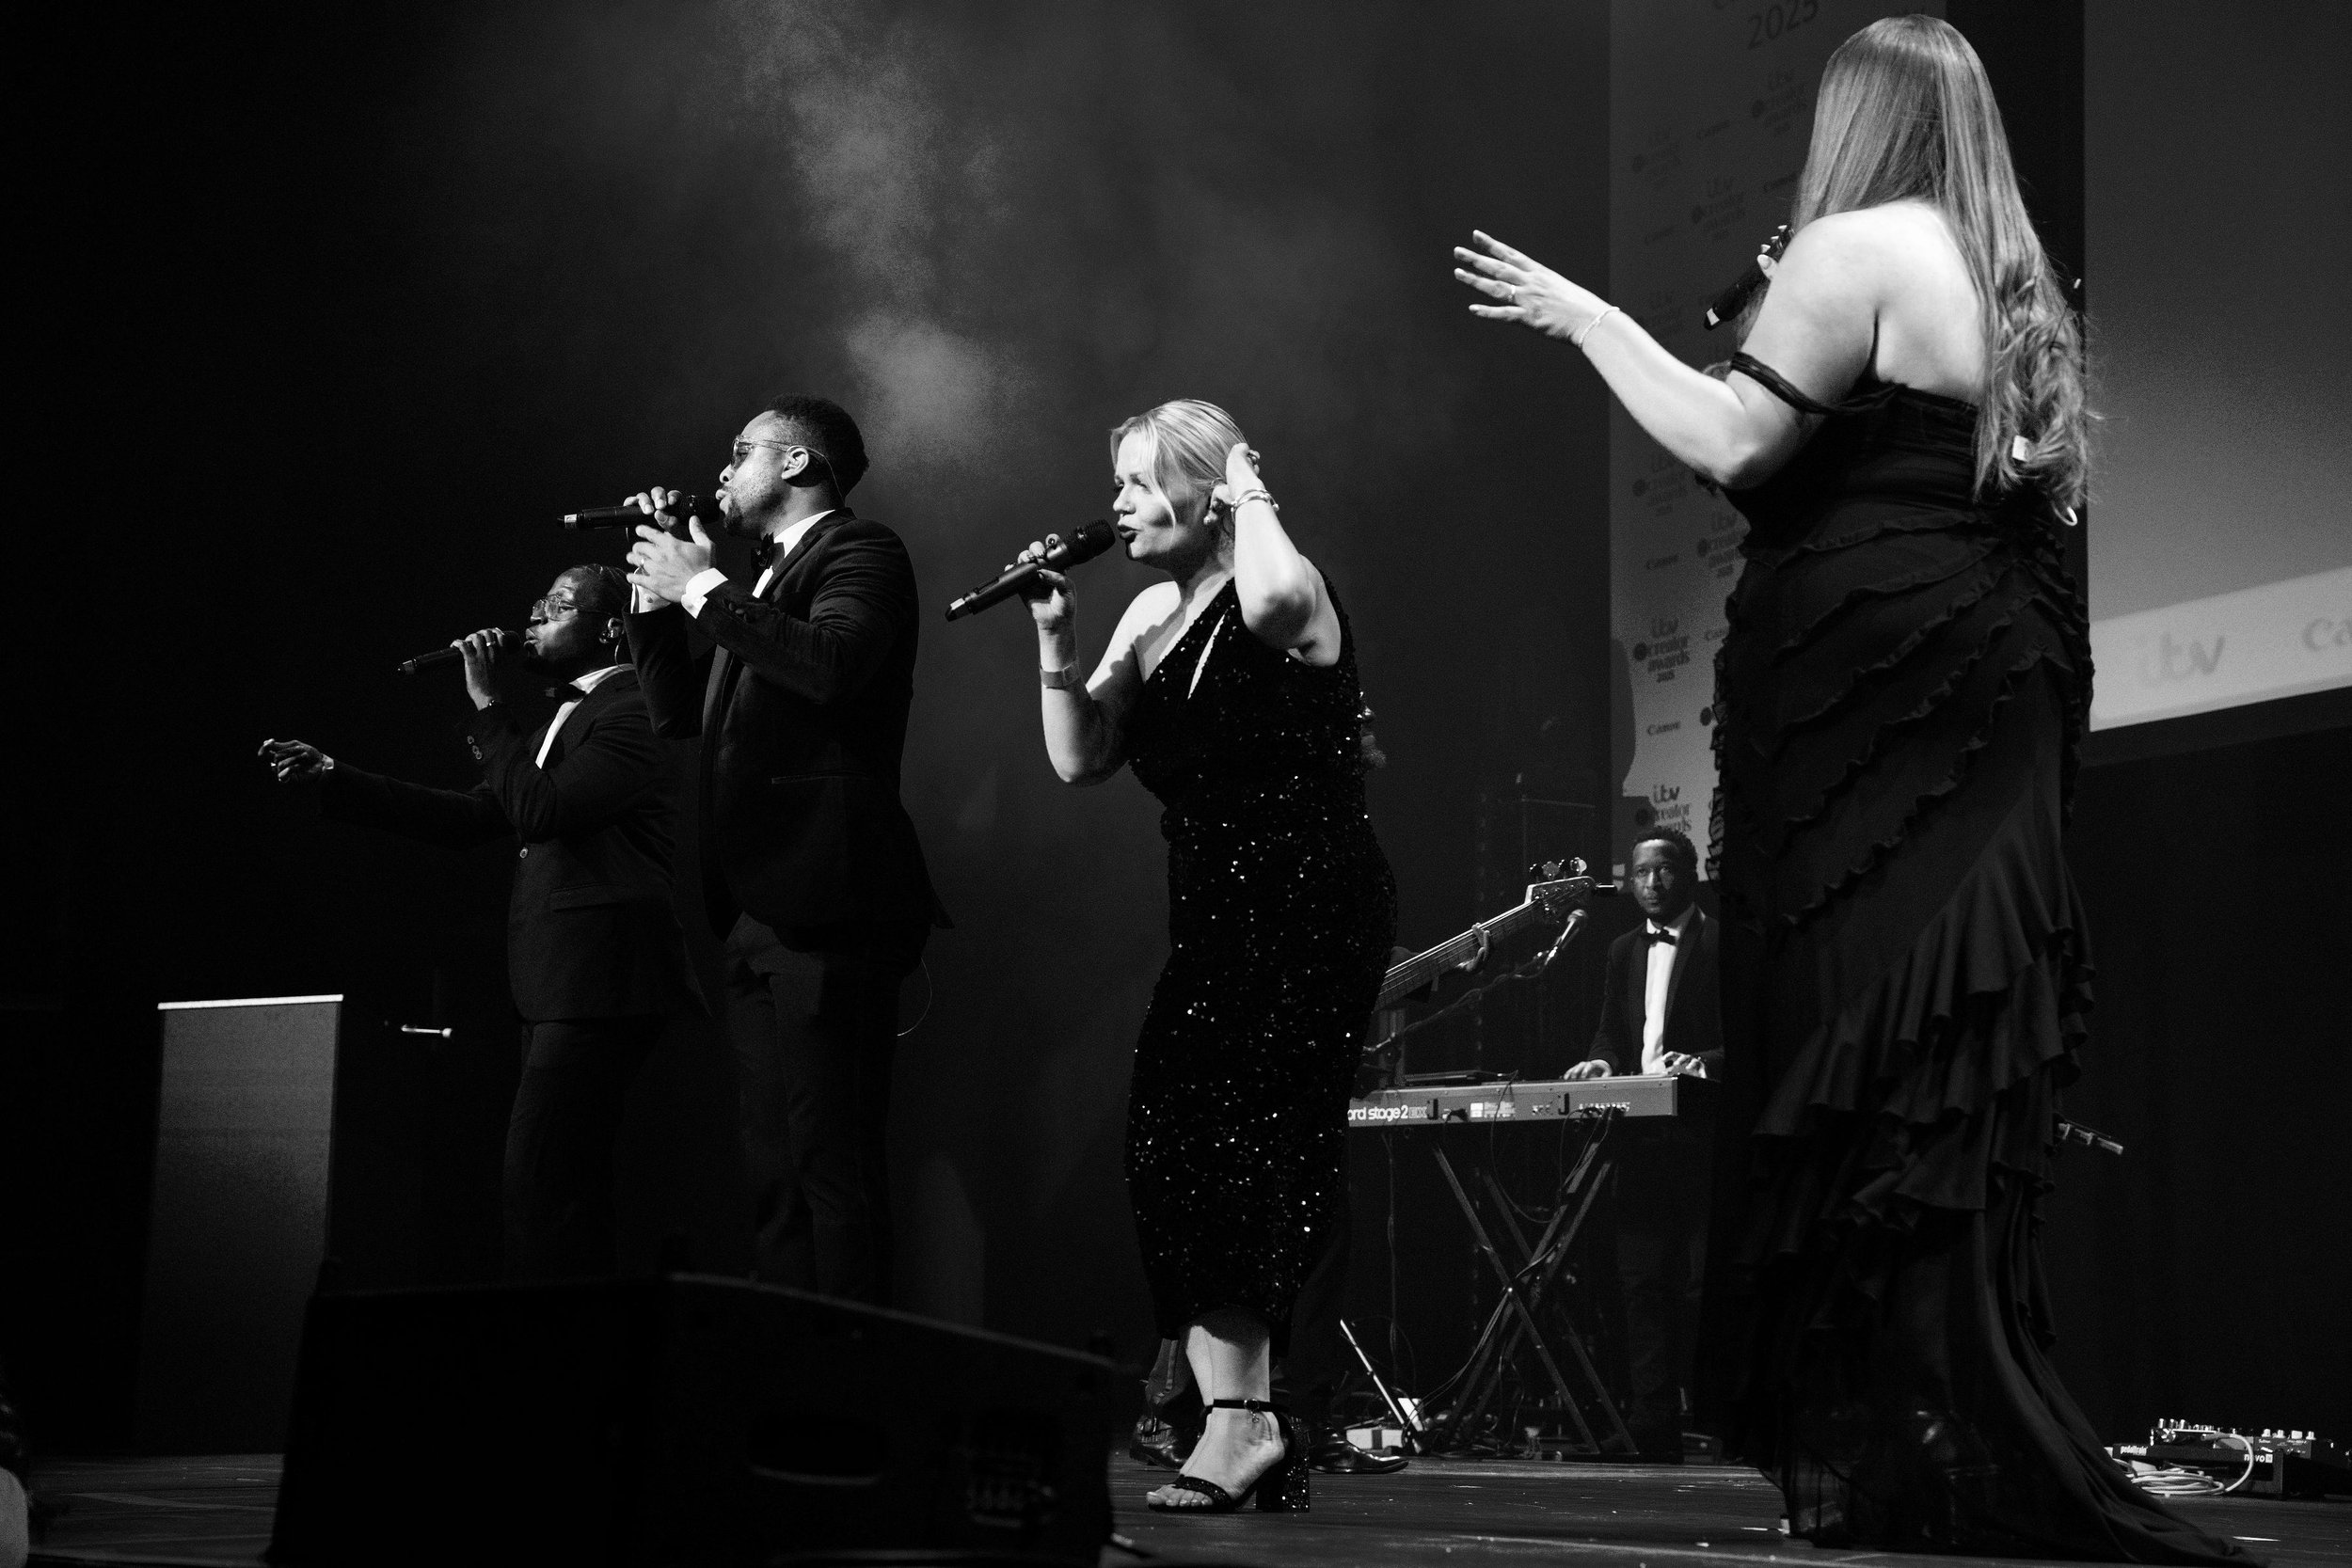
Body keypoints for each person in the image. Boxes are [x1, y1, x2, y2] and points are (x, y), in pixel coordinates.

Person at [1454, 16, 2249, 1560]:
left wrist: (1586, 318)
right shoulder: (2005, 277)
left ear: (1855, 120)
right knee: (1928, 1065)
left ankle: (1892, 1450)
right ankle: (1931, 1447)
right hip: (1995, 689)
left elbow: (1736, 441)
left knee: (1850, 1053)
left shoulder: (1855, 247)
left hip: (1874, 716)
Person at [1018, 399, 1395, 1513]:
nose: (1119, 504)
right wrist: (1055, 637)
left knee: (1253, 1147)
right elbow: (1081, 757)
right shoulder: (1150, 610)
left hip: (1309, 900)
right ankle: (1242, 1413)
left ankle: (1248, 1419)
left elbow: (1273, 596)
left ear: (1203, 489)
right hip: (1218, 911)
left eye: (1141, 482)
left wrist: (1248, 481)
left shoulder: (1285, 581)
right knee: (1172, 1147)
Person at [259, 564, 701, 1279]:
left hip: (601, 984)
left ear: (613, 628)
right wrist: (337, 777)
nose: (532, 617)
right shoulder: (571, 715)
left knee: (539, 1183)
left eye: (555, 606)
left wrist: (490, 704)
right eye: (534, 603)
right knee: (567, 1193)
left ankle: (545, 1360)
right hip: (561, 986)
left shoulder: (636, 706)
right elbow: (477, 816)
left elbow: (541, 810)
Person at [622, 394, 945, 1307]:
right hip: (752, 906)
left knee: (828, 1157)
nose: (720, 472)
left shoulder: (861, 550)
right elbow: (677, 713)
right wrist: (656, 600)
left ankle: (854, 1382)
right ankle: (787, 1377)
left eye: (739, 453)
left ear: (798, 464)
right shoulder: (756, 581)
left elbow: (832, 664)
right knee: (773, 1169)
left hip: (828, 897)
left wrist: (700, 586)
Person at [1564, 826, 1720, 1461]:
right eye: (1640, 874)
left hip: (1706, 1133)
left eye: (1664, 870)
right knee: (1640, 1280)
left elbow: (1764, 1030)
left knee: (1702, 1281)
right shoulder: (1622, 948)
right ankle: (1652, 1421)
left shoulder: (1725, 942)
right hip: (1640, 1137)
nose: (1652, 883)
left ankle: (1716, 1414)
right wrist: (1602, 1063)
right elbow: (1610, 1033)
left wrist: (1703, 1061)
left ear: (1689, 872)